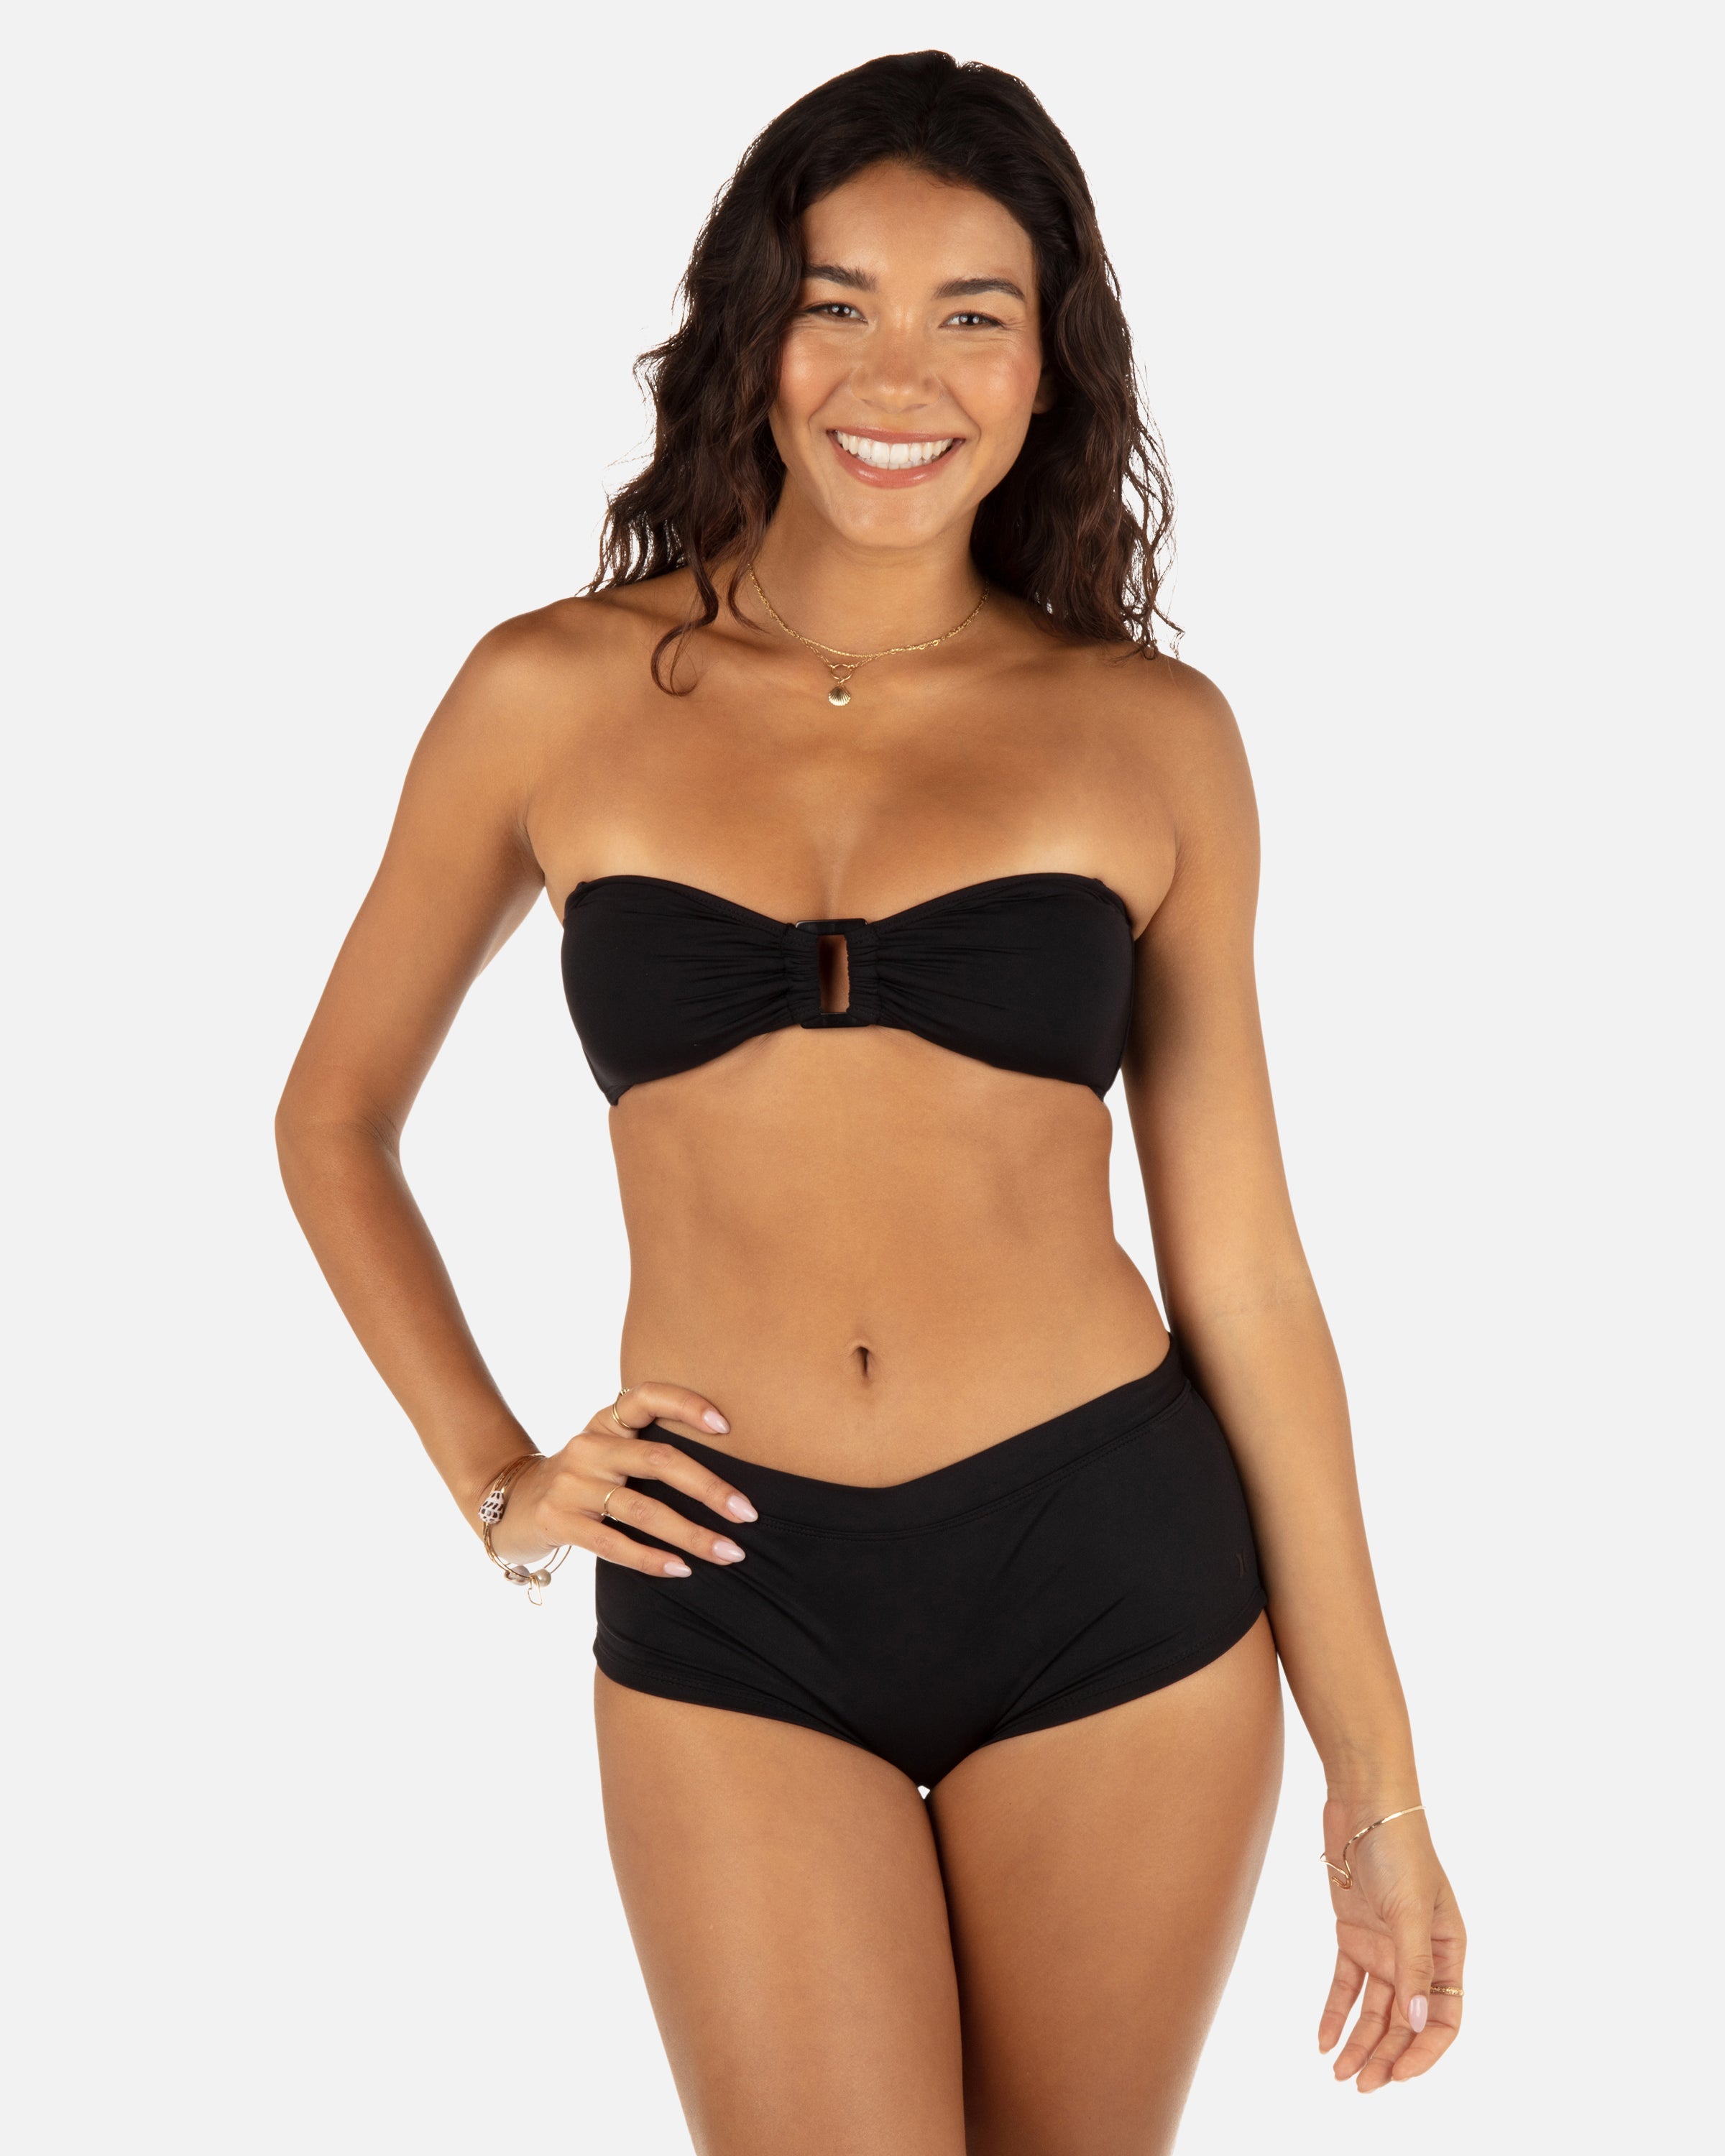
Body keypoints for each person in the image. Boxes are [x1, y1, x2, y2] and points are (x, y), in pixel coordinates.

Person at [277, 49, 1465, 2155]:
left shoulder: (1150, 735)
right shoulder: (548, 693)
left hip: (1111, 1578)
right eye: (838, 304)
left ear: (1047, 365)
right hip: (732, 1585)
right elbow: (334, 1119)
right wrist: (498, 1482)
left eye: (968, 314)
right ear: (757, 332)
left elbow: (1250, 1282)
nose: (894, 376)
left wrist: (1377, 1786)